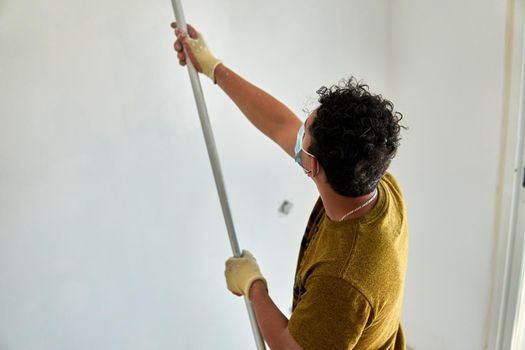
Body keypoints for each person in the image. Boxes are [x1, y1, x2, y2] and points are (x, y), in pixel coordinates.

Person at [171, 22, 408, 350]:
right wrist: (212, 67)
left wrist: (254, 286)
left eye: (305, 135)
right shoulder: (373, 179)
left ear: (313, 166)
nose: (297, 134)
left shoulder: (343, 279)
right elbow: (280, 124)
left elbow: (288, 346)